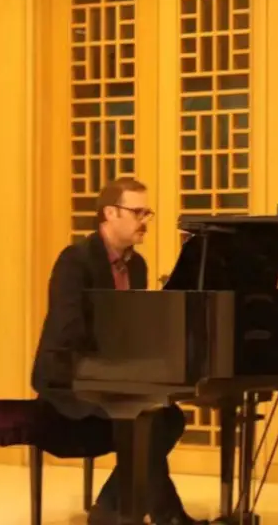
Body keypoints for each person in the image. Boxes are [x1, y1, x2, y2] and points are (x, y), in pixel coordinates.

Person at [31, 177, 207, 525]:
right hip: (68, 379)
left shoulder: (136, 266)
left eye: (147, 212)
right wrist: (119, 370)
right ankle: (156, 514)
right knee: (151, 419)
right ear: (110, 213)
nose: (144, 220)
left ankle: (117, 510)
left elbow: (129, 331)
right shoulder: (75, 261)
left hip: (111, 376)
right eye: (137, 211)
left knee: (163, 417)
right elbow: (70, 334)